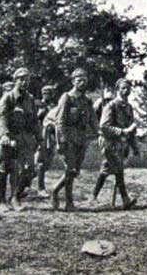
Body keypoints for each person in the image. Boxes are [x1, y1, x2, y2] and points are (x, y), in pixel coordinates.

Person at [0, 68, 40, 211]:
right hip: (7, 137)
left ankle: (15, 198)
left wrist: (39, 138)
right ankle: (1, 201)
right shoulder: (9, 97)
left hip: (23, 138)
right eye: (21, 79)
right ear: (15, 80)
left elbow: (35, 120)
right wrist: (4, 134)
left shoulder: (30, 99)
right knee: (3, 169)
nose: (24, 82)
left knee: (23, 170)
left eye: (26, 79)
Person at [51, 68, 99, 212]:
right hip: (68, 139)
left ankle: (55, 189)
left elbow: (93, 121)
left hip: (81, 139)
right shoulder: (67, 97)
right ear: (73, 81)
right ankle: (69, 202)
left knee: (75, 171)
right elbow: (59, 121)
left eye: (84, 80)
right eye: (79, 80)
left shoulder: (87, 100)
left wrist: (99, 133)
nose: (82, 83)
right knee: (69, 169)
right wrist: (62, 141)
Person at [92, 79, 138, 210]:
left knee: (107, 168)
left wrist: (134, 146)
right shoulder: (110, 106)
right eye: (123, 88)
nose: (126, 91)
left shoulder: (128, 107)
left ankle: (93, 195)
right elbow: (104, 126)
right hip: (108, 141)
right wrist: (123, 131)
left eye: (128, 88)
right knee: (118, 169)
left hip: (121, 143)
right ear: (118, 89)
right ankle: (125, 199)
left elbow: (131, 128)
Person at [33, 84, 58, 196]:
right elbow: (33, 119)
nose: (49, 95)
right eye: (46, 93)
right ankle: (40, 188)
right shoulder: (37, 104)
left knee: (47, 163)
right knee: (40, 162)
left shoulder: (54, 106)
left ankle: (25, 182)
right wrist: (41, 113)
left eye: (51, 93)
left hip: (51, 136)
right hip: (40, 135)